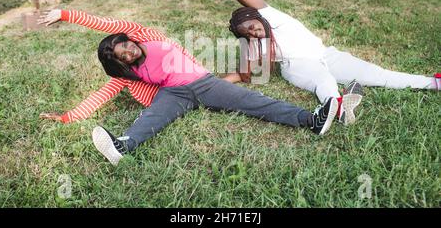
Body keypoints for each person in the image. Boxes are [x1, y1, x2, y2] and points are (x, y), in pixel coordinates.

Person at [38, 9, 339, 166]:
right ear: (120, 63)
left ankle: (311, 120)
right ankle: (122, 146)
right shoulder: (128, 74)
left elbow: (103, 23)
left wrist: (65, 15)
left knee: (251, 101)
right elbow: (100, 96)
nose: (128, 52)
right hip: (175, 94)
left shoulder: (144, 35)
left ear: (130, 39)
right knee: (152, 117)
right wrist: (68, 117)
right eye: (121, 56)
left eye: (125, 45)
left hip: (203, 83)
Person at [180, 0, 440, 125]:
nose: (252, 33)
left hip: (328, 54)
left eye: (251, 27)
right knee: (323, 80)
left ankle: (433, 82)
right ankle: (336, 106)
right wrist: (208, 86)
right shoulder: (255, 45)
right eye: (245, 34)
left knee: (378, 75)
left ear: (255, 16)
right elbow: (243, 75)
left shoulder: (273, 17)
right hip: (298, 66)